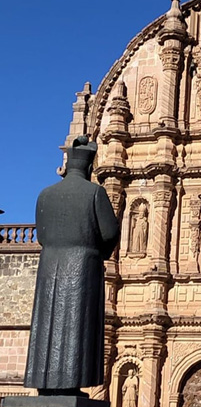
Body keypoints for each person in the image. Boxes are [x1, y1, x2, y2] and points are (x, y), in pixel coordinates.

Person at [23, 137, 120, 392]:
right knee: (78, 325)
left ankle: (44, 383)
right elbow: (110, 233)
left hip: (49, 266)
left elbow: (41, 235)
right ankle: (71, 384)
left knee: (48, 324)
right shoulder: (95, 193)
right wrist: (99, 252)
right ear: (89, 167)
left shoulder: (45, 195)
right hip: (83, 268)